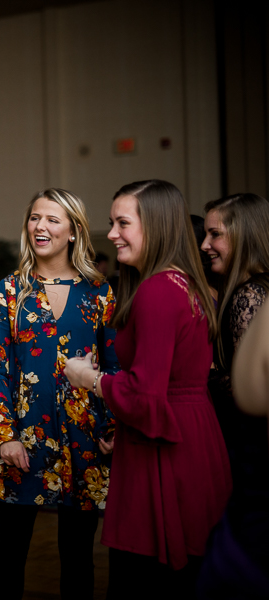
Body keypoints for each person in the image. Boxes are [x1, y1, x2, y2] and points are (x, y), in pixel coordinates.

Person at [64, 180, 232, 599]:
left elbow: (143, 395)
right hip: (192, 432)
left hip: (163, 446)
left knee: (144, 579)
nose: (113, 234)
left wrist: (90, 379)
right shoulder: (184, 283)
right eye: (111, 223)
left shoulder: (157, 290)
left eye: (123, 223)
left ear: (156, 226)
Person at [0, 188, 118, 600]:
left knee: (78, 557)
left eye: (53, 220)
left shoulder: (99, 292)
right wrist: (3, 436)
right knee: (8, 554)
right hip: (21, 439)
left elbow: (112, 366)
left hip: (84, 442)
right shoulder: (8, 292)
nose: (41, 227)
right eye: (35, 218)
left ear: (73, 231)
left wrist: (110, 427)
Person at [196, 193, 269, 598]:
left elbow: (247, 393)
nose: (205, 245)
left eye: (215, 234)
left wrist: (198, 375)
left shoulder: (248, 296)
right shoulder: (254, 290)